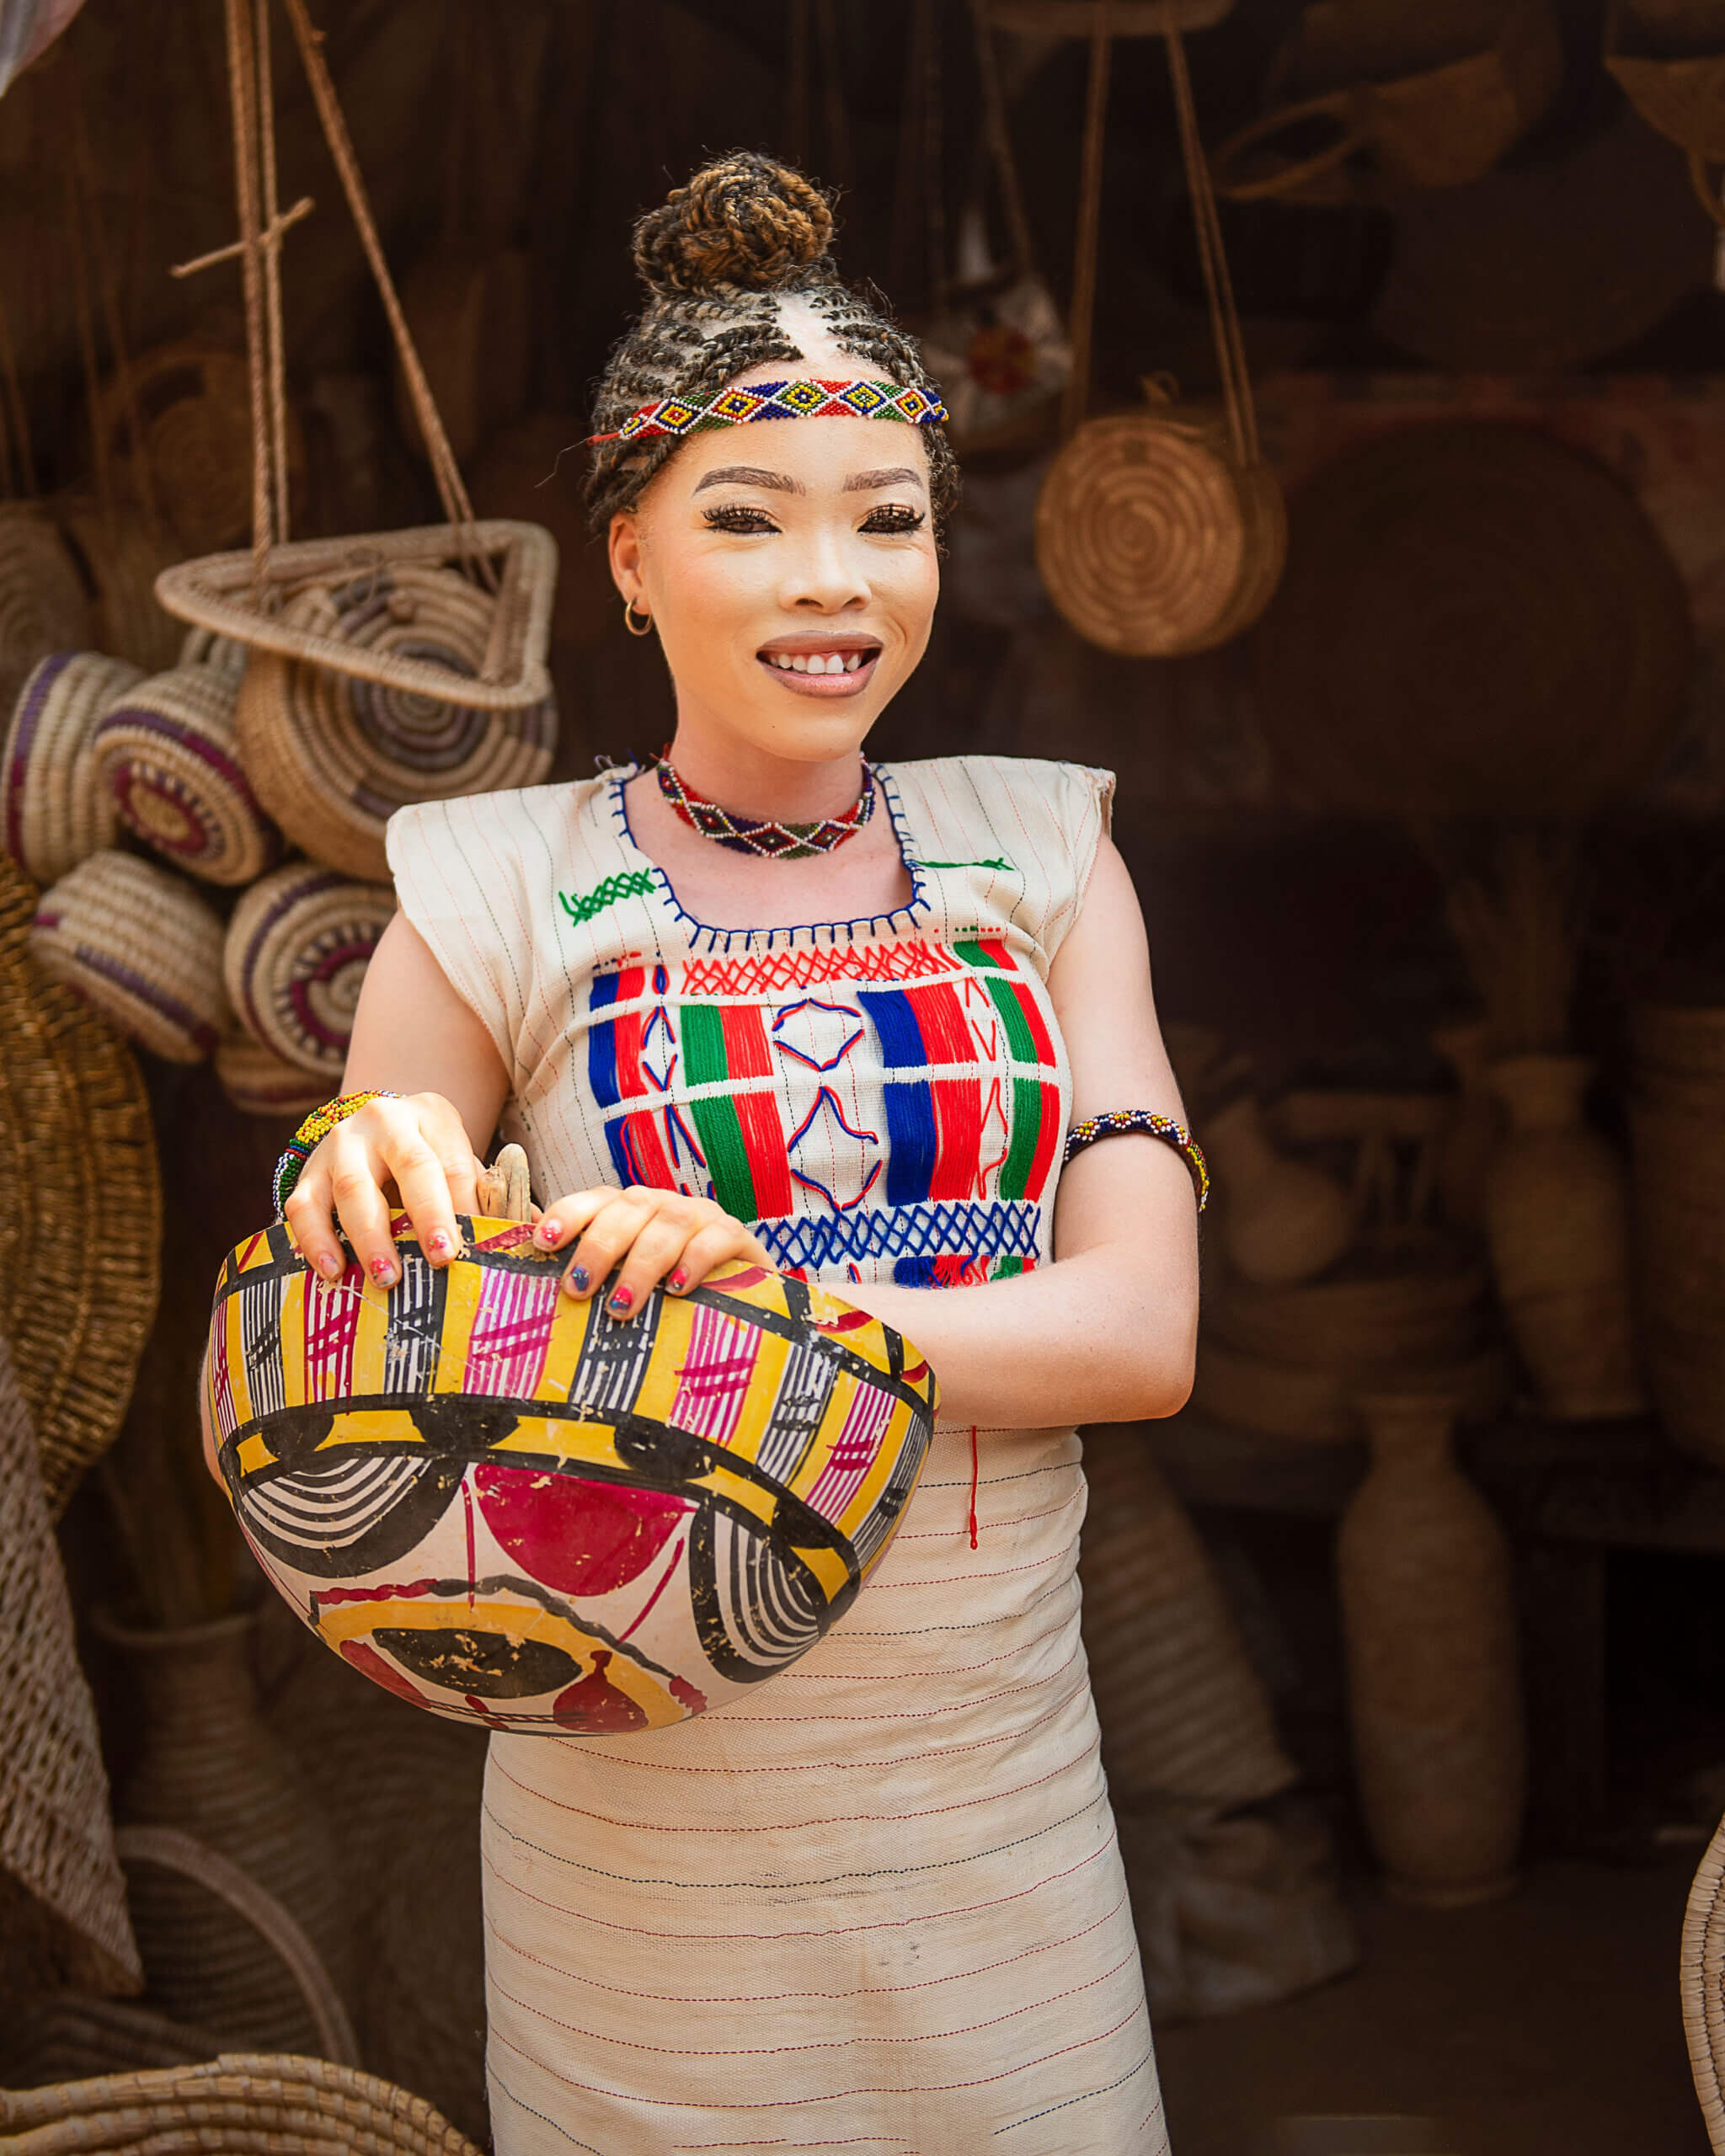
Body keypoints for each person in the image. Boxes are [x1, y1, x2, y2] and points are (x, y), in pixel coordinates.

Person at [271, 152, 1200, 2156]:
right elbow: (381, 1216)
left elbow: (1139, 1334)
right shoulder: (493, 881)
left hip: (987, 1787)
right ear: (624, 555)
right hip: (636, 1821)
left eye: (888, 521)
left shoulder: (1043, 852)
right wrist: (348, 1183)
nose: (830, 582)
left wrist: (777, 1305)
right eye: (749, 518)